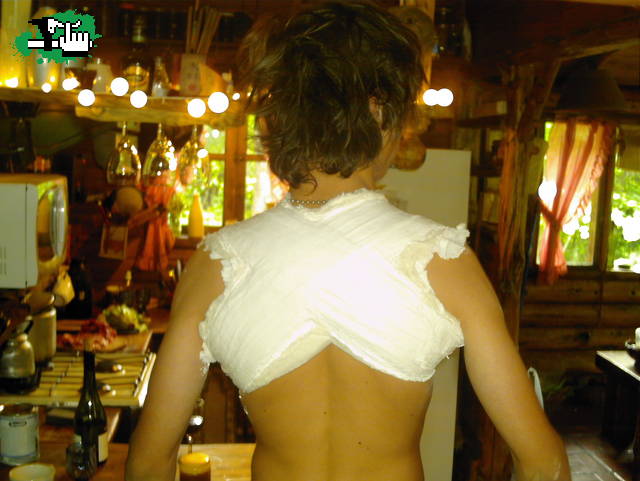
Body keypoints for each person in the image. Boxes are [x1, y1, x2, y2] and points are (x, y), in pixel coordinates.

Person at [125, 2, 571, 480]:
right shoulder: (444, 261)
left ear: (279, 121)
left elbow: (148, 463)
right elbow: (544, 464)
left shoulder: (216, 266)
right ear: (380, 114)